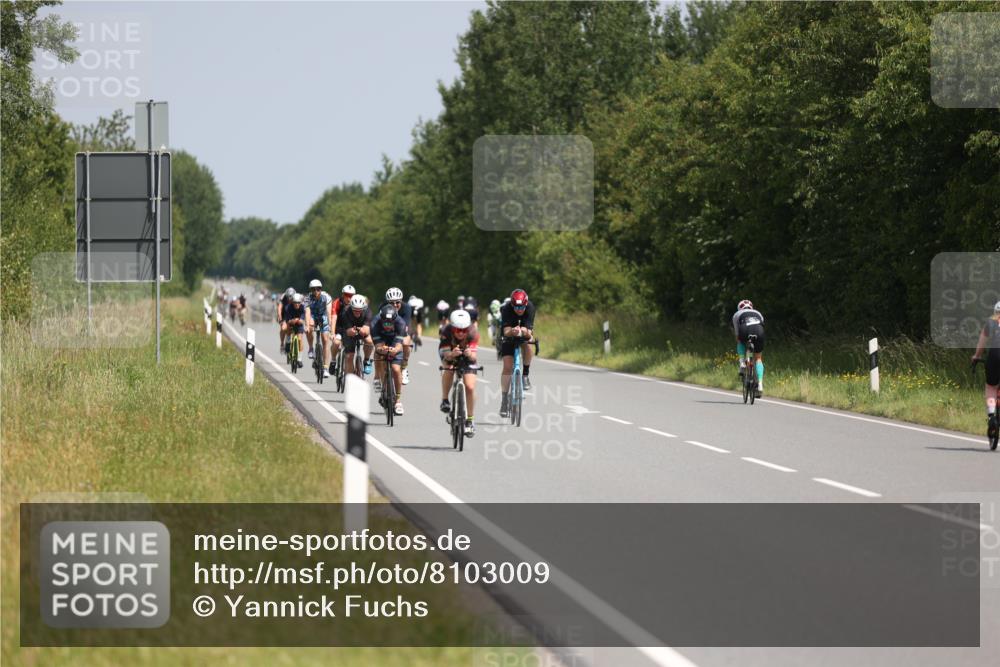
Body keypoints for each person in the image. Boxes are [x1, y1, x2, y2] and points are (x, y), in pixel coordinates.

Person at [439, 309, 478, 437]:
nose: (461, 333)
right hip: (450, 352)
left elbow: (474, 358)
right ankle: (445, 399)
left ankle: (470, 421)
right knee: (449, 369)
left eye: (464, 330)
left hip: (467, 356)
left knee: (470, 387)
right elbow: (445, 356)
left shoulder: (473, 332)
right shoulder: (446, 331)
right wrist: (452, 354)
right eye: (458, 330)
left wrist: (469, 354)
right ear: (453, 328)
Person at [499, 289, 536, 418]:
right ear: (512, 305)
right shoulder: (506, 309)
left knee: (529, 343)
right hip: (509, 333)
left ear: (526, 304)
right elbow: (506, 331)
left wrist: (523, 331)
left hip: (524, 330)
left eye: (522, 307)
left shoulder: (530, 308)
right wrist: (513, 332)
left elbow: (529, 331)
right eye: (517, 307)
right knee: (507, 367)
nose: (519, 309)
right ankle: (504, 400)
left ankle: (525, 374)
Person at [371, 305, 407, 416]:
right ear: (381, 320)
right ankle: (382, 384)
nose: (387, 325)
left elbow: (399, 345)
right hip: (382, 341)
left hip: (394, 342)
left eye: (390, 323)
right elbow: (377, 346)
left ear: (395, 320)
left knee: (396, 369)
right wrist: (382, 349)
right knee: (381, 359)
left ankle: (398, 400)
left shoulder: (400, 323)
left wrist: (394, 350)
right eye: (385, 323)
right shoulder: (375, 324)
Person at [972, 301, 1000, 441]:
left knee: (991, 386)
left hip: (995, 355)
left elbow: (981, 343)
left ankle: (991, 417)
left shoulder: (991, 322)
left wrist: (976, 357)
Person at [378, 287, 415, 385]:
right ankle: (377, 376)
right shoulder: (382, 307)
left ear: (401, 301)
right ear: (387, 302)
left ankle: (404, 367)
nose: (395, 305)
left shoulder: (407, 308)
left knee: (406, 342)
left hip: (402, 329)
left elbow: (405, 326)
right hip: (386, 330)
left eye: (397, 302)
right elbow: (378, 323)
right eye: (391, 303)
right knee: (378, 348)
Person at [732, 299, 765, 398]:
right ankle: (760, 384)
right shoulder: (758, 313)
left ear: (740, 308)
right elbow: (762, 325)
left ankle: (742, 362)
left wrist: (739, 339)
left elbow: (737, 334)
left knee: (740, 340)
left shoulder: (737, 314)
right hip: (759, 331)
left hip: (745, 329)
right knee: (758, 358)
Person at [336, 293, 374, 377]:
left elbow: (366, 331)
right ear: (351, 307)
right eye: (355, 310)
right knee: (349, 357)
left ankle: (367, 360)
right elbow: (348, 331)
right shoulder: (346, 311)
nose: (357, 312)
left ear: (363, 308)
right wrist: (353, 331)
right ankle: (351, 378)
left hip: (361, 330)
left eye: (359, 310)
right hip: (348, 332)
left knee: (369, 341)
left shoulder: (368, 311)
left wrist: (360, 329)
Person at [304, 279, 334, 379]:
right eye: (313, 289)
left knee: (325, 340)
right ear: (311, 290)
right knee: (310, 326)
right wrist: (307, 326)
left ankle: (325, 368)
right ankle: (311, 348)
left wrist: (330, 328)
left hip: (323, 316)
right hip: (313, 315)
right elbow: (307, 313)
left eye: (318, 289)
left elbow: (329, 313)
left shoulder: (326, 297)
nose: (316, 291)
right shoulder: (308, 298)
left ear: (321, 289)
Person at [330, 284, 357, 373]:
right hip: (340, 329)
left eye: (351, 296)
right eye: (346, 295)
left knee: (350, 355)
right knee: (336, 343)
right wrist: (332, 333)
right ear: (342, 295)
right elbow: (334, 318)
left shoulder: (356, 303)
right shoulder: (337, 302)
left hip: (351, 330)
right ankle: (333, 360)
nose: (348, 298)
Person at [282, 293, 307, 368]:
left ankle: (299, 359)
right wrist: (292, 321)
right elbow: (287, 320)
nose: (297, 304)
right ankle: (288, 341)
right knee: (287, 328)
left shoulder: (303, 307)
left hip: (299, 324)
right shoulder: (288, 307)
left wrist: (299, 320)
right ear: (292, 302)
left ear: (300, 303)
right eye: (295, 302)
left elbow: (302, 320)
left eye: (298, 302)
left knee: (299, 340)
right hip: (291, 323)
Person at [277, 287, 295, 351]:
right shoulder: (283, 297)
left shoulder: (297, 297)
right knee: (283, 328)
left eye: (291, 298)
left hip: (293, 313)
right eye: (288, 298)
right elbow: (279, 309)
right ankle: (282, 343)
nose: (290, 300)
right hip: (284, 313)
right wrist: (280, 319)